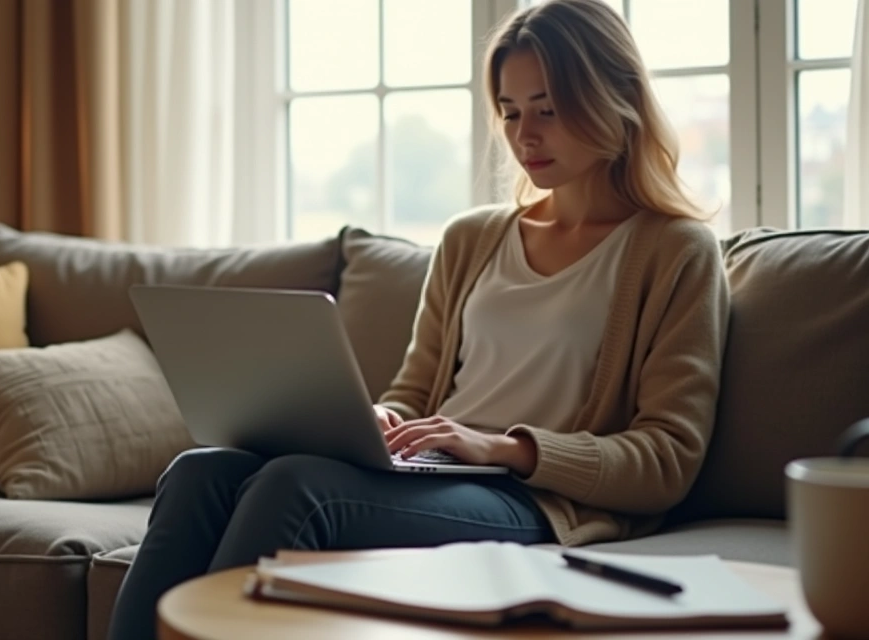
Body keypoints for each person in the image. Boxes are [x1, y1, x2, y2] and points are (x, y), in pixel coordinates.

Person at [107, 0, 731, 636]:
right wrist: (384, 420)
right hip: (435, 470)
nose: (525, 136)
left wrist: (505, 448)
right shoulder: (471, 238)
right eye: (511, 112)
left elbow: (667, 459)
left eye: (547, 109)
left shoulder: (675, 250)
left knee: (296, 487)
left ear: (612, 98)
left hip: (534, 498)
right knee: (199, 471)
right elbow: (413, 391)